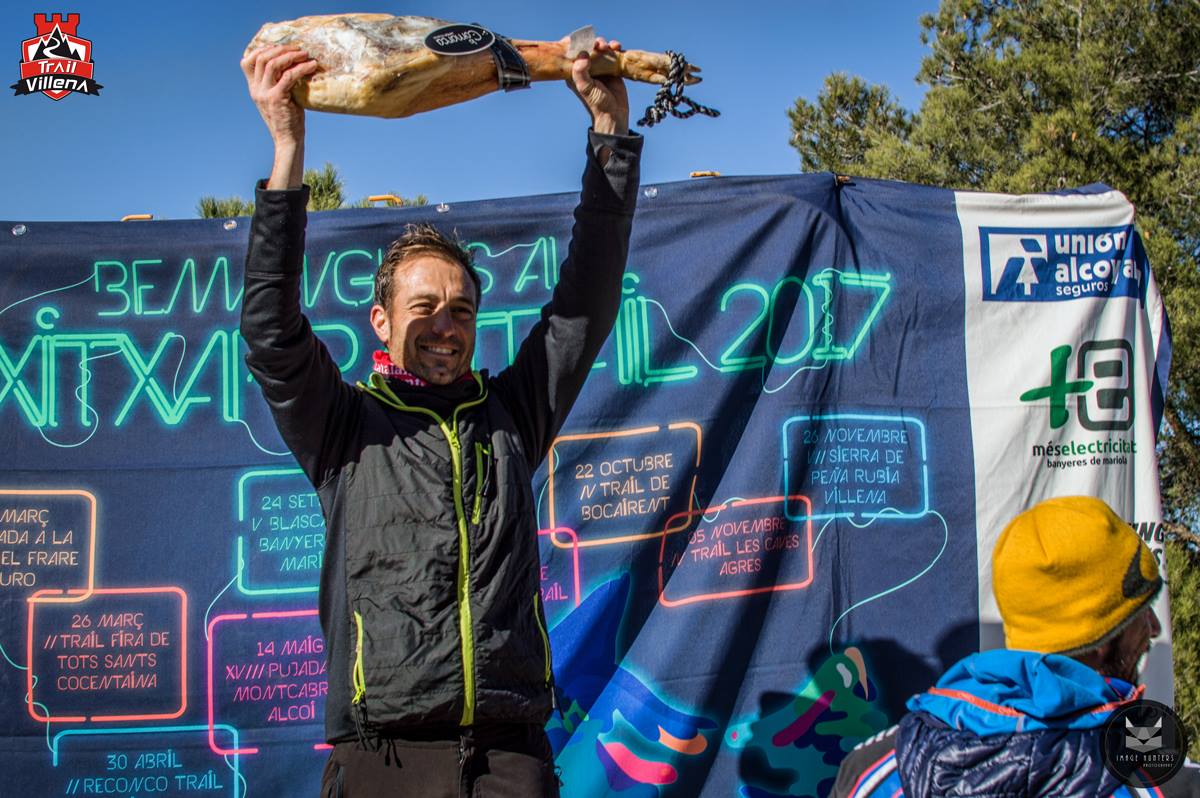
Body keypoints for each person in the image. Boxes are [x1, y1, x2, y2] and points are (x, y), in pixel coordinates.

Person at [238, 36, 641, 797]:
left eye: (460, 310)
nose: (443, 326)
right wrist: (288, 150)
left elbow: (584, 303)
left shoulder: (511, 415)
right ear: (381, 322)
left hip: (509, 756)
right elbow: (270, 333)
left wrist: (610, 139)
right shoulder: (345, 429)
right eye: (422, 307)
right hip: (382, 758)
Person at [832, 495, 1198, 797]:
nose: (1154, 628)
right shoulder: (1166, 783)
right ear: (1099, 640)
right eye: (1140, 614)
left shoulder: (871, 771)